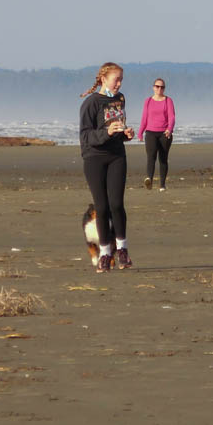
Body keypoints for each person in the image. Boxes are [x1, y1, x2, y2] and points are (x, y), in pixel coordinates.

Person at [79, 62, 135, 272]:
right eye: (116, 79)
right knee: (101, 207)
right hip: (94, 158)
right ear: (104, 79)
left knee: (117, 205)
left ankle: (123, 250)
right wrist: (107, 133)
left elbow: (117, 129)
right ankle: (104, 253)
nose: (119, 83)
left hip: (117, 156)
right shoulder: (91, 103)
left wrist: (125, 135)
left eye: (121, 79)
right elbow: (85, 136)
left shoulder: (120, 99)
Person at [138, 78, 175, 191]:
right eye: (157, 86)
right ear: (153, 87)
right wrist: (140, 132)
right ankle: (149, 179)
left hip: (164, 133)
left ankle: (162, 185)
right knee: (151, 157)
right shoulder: (148, 101)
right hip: (150, 133)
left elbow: (172, 117)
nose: (160, 89)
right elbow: (144, 118)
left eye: (162, 87)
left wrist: (169, 129)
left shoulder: (168, 100)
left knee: (163, 159)